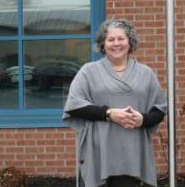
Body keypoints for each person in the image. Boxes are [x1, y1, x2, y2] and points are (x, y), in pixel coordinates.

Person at [63, 18, 167, 187]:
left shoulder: (146, 73)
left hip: (131, 152)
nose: (116, 43)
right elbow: (74, 106)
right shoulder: (88, 71)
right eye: (111, 39)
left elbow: (160, 110)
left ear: (130, 42)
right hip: (97, 151)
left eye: (121, 39)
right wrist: (109, 114)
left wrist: (143, 120)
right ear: (103, 44)